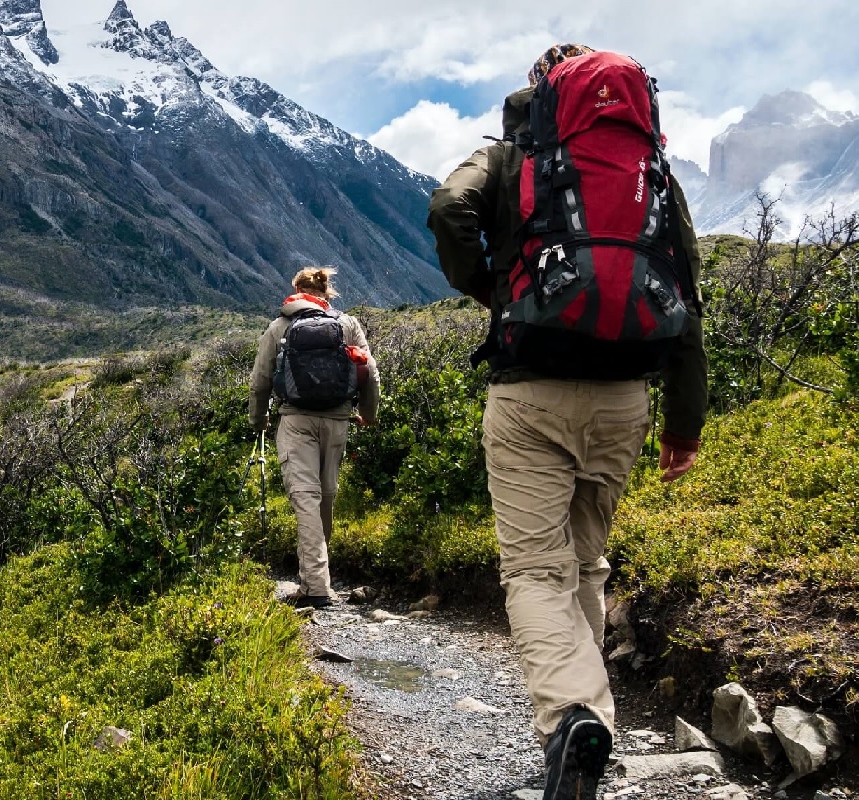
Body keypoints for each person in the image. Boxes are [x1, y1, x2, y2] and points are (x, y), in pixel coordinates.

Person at [426, 44, 708, 799]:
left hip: (532, 391)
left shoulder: (513, 155)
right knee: (586, 561)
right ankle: (594, 723)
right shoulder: (651, 169)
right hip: (625, 397)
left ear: (541, 90)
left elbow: (446, 209)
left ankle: (573, 717)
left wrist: (492, 288)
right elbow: (684, 293)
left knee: (532, 570)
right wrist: (686, 423)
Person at [248, 267, 380, 609]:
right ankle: (317, 578)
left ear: (295, 291)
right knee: (325, 496)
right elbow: (370, 372)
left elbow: (260, 380)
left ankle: (317, 586)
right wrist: (368, 413)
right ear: (326, 293)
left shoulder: (280, 327)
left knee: (305, 497)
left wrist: (259, 419)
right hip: (337, 420)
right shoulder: (347, 325)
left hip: (296, 421)